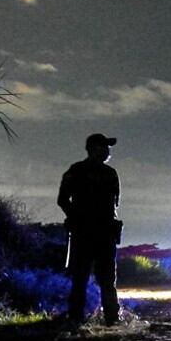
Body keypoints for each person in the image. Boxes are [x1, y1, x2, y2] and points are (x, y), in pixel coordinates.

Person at [57, 133, 123, 326]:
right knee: (83, 278)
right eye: (103, 147)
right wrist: (78, 218)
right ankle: (81, 318)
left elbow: (114, 204)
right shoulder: (78, 171)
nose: (107, 151)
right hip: (86, 233)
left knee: (103, 279)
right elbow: (62, 200)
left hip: (102, 233)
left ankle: (108, 318)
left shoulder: (109, 173)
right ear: (93, 148)